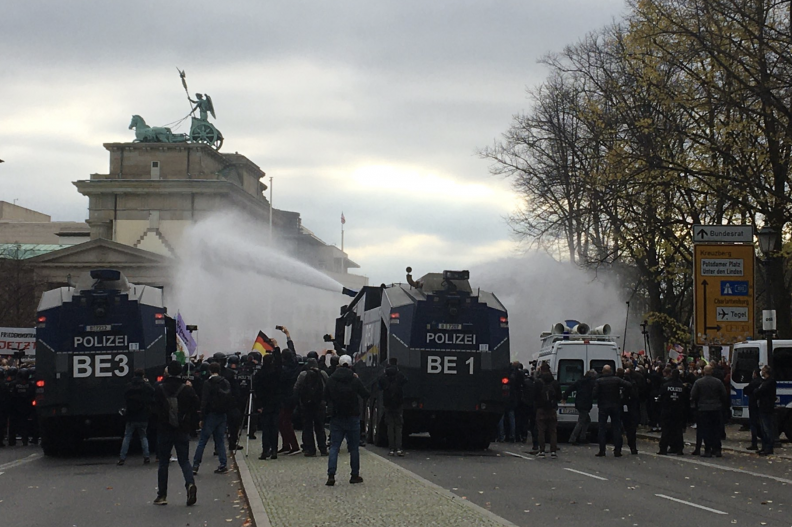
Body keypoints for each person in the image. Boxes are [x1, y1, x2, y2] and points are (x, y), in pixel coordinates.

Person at [153, 360, 199, 506]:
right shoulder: (186, 389)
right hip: (182, 428)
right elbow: (196, 405)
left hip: (164, 429)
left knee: (163, 463)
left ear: (167, 372)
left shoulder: (160, 389)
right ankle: (190, 483)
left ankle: (162, 495)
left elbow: (154, 409)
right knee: (184, 460)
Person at [325, 354, 370, 486]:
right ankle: (354, 475)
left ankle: (331, 475)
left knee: (334, 447)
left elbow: (325, 395)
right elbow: (365, 394)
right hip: (352, 416)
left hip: (337, 416)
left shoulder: (332, 379)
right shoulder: (353, 379)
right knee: (354, 448)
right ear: (350, 365)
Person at [192, 362, 232, 475]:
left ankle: (195, 465)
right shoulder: (225, 382)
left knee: (202, 441)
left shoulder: (208, 383)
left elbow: (204, 401)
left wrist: (201, 417)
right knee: (220, 440)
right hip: (222, 414)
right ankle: (223, 464)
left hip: (210, 415)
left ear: (210, 370)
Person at [593, 364, 633, 457]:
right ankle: (617, 450)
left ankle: (602, 450)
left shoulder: (599, 381)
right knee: (616, 428)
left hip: (603, 406)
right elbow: (629, 385)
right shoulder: (616, 380)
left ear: (603, 371)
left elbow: (594, 395)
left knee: (602, 428)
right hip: (615, 405)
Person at [118, 369, 155, 465]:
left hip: (131, 415)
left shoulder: (129, 386)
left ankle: (122, 458)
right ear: (143, 375)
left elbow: (124, 397)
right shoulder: (146, 386)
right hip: (143, 415)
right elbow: (152, 392)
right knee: (143, 436)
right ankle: (146, 457)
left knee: (127, 436)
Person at [690, 365, 728, 457]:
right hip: (716, 408)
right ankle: (717, 449)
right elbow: (724, 394)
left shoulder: (698, 382)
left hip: (703, 409)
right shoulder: (718, 382)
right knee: (716, 430)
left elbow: (693, 395)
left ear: (703, 371)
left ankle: (708, 450)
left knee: (706, 430)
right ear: (712, 371)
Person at [294, 357, 329, 457]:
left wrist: (298, 401)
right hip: (320, 404)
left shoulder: (303, 374)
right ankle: (323, 449)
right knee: (320, 427)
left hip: (306, 405)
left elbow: (296, 388)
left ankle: (310, 449)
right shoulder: (323, 374)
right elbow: (328, 386)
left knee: (307, 427)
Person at [253, 340, 282, 460]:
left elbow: (257, 391)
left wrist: (258, 405)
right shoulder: (276, 372)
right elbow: (280, 363)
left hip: (264, 405)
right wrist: (276, 347)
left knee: (265, 429)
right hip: (275, 404)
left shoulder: (259, 374)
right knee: (274, 428)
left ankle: (265, 450)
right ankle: (274, 450)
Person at [277, 327, 301, 455]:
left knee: (285, 421)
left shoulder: (284, 370)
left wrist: (275, 347)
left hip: (286, 398)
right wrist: (287, 335)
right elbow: (292, 350)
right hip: (293, 397)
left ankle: (294, 446)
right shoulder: (295, 365)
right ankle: (286, 445)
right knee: (282, 421)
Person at [377, 358, 408, 456]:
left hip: (387, 403)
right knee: (398, 425)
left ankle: (391, 448)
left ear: (389, 363)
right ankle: (399, 448)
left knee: (390, 425)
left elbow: (379, 386)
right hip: (398, 403)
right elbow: (405, 381)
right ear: (397, 363)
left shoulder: (384, 375)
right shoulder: (400, 375)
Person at [657, 368, 688, 455]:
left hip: (667, 410)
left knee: (666, 430)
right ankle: (678, 448)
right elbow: (685, 400)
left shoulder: (666, 385)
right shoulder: (682, 387)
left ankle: (663, 448)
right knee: (678, 430)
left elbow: (661, 398)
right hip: (679, 411)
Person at [533, 364, 560, 458]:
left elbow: (534, 396)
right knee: (553, 431)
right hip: (552, 409)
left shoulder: (538, 382)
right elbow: (559, 396)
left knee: (541, 430)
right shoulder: (555, 382)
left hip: (541, 409)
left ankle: (542, 450)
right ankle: (553, 451)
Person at [563, 369, 596, 445]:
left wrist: (565, 397)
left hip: (579, 403)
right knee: (581, 421)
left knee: (587, 420)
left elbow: (570, 388)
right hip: (586, 404)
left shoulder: (580, 381)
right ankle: (573, 438)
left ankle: (582, 437)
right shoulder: (592, 383)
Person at [7, 368, 34, 446]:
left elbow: (10, 395)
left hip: (14, 408)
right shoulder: (30, 384)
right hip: (25, 407)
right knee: (24, 424)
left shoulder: (13, 384)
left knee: (13, 425)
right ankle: (24, 440)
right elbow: (31, 395)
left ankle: (12, 441)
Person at [754, 365, 777, 456]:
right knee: (763, 428)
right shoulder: (765, 381)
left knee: (767, 428)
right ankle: (764, 447)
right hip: (763, 406)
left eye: (763, 370)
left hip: (766, 407)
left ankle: (769, 447)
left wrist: (757, 390)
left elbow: (759, 391)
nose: (761, 372)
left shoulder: (770, 382)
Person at [743, 368, 763, 451]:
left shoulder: (754, 382)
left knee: (754, 424)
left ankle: (754, 443)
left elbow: (746, 390)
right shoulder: (762, 382)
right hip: (761, 405)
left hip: (753, 405)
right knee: (761, 424)